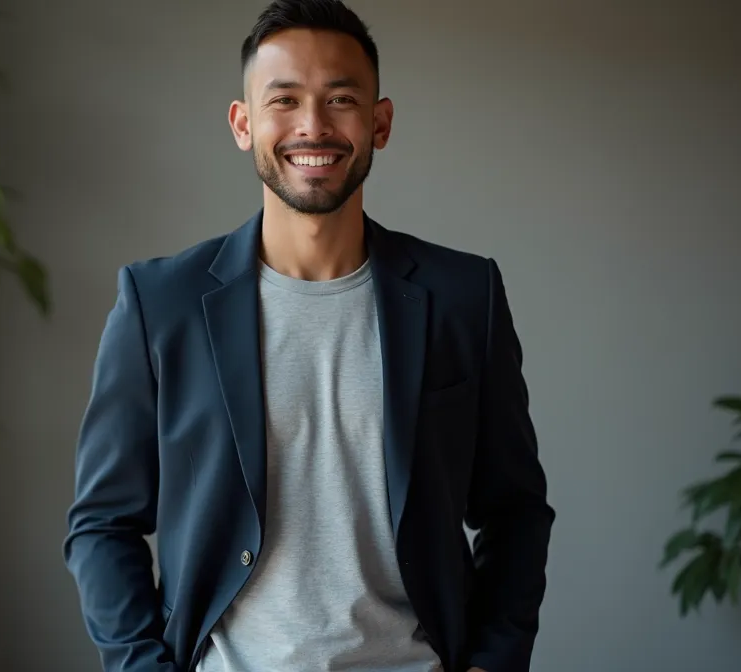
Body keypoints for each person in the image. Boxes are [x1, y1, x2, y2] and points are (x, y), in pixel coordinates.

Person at [62, 1, 555, 670]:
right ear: (244, 124)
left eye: (340, 99)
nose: (313, 126)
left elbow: (516, 510)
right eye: (284, 100)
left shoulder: (464, 297)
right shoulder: (161, 304)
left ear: (380, 122)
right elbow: (102, 523)